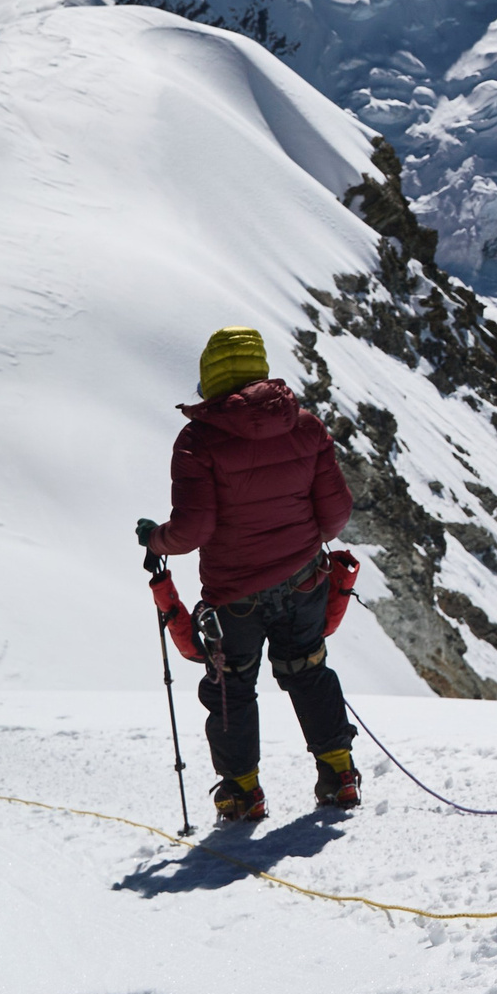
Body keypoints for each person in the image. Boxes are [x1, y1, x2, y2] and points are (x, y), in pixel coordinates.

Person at [136, 326, 360, 821]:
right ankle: (340, 774)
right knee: (307, 671)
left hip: (236, 593)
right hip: (303, 580)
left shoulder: (198, 441)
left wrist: (155, 539)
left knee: (230, 685)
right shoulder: (305, 425)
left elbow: (193, 529)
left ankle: (241, 792)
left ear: (210, 377)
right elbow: (336, 515)